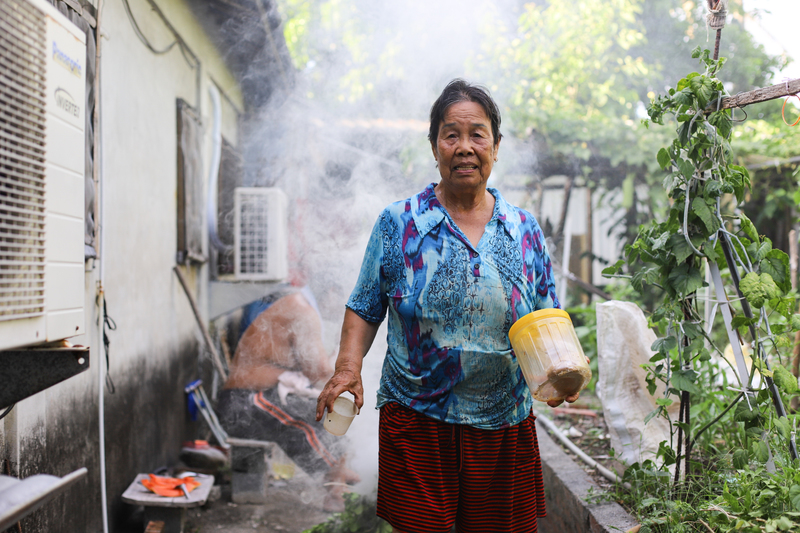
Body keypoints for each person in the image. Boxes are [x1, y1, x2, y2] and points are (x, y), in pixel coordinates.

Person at [315, 79, 580, 533]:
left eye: (477, 134)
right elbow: (364, 305)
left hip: (503, 422)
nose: (464, 147)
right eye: (450, 134)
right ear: (434, 145)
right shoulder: (399, 223)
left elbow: (543, 314)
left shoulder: (523, 229)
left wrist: (560, 370)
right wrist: (346, 368)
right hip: (417, 419)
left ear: (496, 146)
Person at [217, 286, 359, 512]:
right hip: (243, 402)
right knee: (310, 419)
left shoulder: (302, 306)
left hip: (262, 397)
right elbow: (319, 373)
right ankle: (335, 485)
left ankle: (338, 470)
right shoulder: (302, 311)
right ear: (330, 292)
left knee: (328, 413)